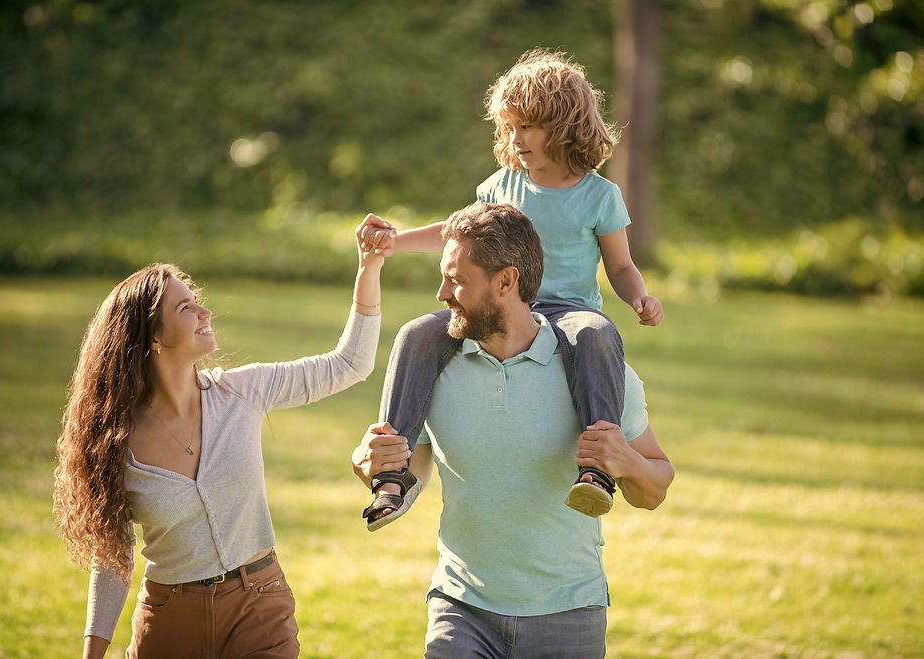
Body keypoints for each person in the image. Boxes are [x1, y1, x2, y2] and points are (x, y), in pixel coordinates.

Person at [53, 217, 388, 658]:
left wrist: (368, 268)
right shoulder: (116, 442)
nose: (205, 313)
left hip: (259, 605)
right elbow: (113, 560)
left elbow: (350, 364)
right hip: (169, 618)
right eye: (185, 308)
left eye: (197, 302)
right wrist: (92, 653)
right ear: (152, 337)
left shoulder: (242, 392)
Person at [352, 202, 674, 658]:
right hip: (460, 608)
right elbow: (415, 470)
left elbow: (654, 490)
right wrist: (368, 461)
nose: (441, 293)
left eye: (457, 280)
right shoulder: (434, 366)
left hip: (569, 613)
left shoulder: (597, 369)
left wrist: (628, 462)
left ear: (506, 282)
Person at [358, 49, 663, 528]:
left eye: (528, 127)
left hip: (567, 310)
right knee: (417, 333)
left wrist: (639, 297)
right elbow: (454, 233)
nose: (515, 139)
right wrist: (396, 240)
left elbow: (621, 265)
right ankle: (392, 473)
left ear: (564, 125)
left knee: (596, 334)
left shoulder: (599, 195)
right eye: (511, 127)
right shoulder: (502, 186)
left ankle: (597, 472)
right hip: (497, 302)